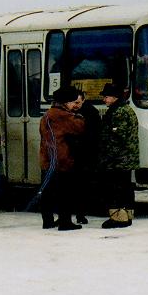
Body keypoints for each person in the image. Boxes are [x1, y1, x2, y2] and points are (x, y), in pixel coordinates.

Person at [37, 85, 85, 231]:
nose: (73, 105)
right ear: (65, 102)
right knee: (65, 192)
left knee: (48, 192)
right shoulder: (63, 115)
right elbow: (79, 127)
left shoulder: (47, 114)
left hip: (47, 159)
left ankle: (47, 221)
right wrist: (80, 116)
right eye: (72, 102)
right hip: (61, 160)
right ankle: (65, 222)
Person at [98, 82, 140, 229]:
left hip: (118, 159)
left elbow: (116, 137)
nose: (104, 99)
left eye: (106, 96)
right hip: (127, 158)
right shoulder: (127, 109)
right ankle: (127, 215)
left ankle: (117, 217)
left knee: (115, 188)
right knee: (126, 187)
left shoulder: (119, 112)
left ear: (114, 97)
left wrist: (106, 156)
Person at [72, 89, 102, 224]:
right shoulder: (73, 112)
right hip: (76, 155)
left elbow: (93, 135)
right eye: (74, 102)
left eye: (78, 102)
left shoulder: (91, 113)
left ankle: (80, 214)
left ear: (84, 100)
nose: (76, 105)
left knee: (81, 186)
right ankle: (78, 213)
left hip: (85, 155)